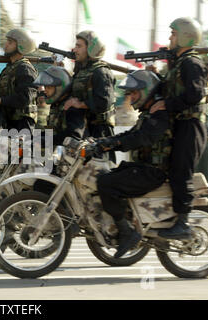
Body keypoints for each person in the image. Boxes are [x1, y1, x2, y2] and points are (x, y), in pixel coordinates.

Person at [95, 70, 172, 258]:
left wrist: (113, 144)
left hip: (153, 172)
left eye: (134, 92)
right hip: (143, 168)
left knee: (106, 183)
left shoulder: (159, 115)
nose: (131, 97)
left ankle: (127, 231)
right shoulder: (148, 114)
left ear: (146, 91)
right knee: (107, 176)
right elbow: (130, 134)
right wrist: (103, 143)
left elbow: (141, 138)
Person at [150, 17, 208, 239]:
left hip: (190, 125)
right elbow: (169, 90)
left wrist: (167, 104)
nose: (169, 38)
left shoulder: (192, 63)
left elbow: (195, 95)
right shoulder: (179, 64)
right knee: (173, 170)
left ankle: (183, 222)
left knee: (181, 172)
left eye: (173, 34)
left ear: (184, 36)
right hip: (180, 124)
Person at [64, 31, 116, 161]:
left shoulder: (101, 72)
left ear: (91, 49)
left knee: (97, 172)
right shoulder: (82, 71)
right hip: (84, 130)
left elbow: (104, 102)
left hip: (99, 132)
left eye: (79, 46)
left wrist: (81, 104)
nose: (75, 50)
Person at [0, 28, 39, 132]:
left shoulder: (25, 69)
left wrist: (0, 101)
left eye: (10, 42)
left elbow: (25, 98)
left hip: (22, 124)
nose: (5, 45)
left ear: (21, 46)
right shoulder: (10, 68)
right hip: (10, 122)